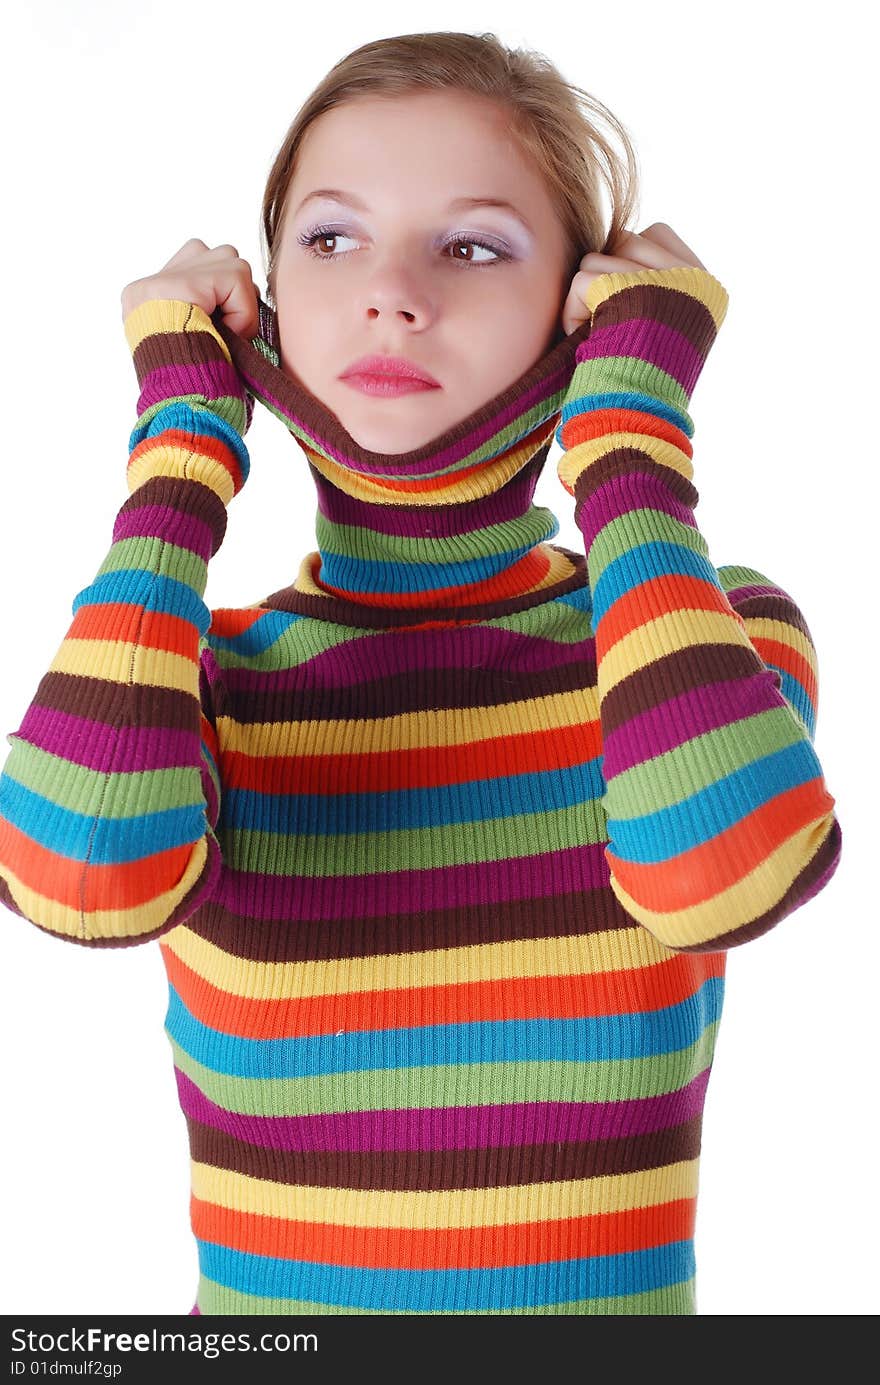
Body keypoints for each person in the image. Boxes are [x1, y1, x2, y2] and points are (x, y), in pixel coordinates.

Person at [0, 30, 841, 1316]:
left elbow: (723, 873)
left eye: (474, 245)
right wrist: (179, 447)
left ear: (583, 306)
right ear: (266, 293)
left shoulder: (711, 630)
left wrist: (630, 438)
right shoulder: (191, 671)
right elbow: (75, 886)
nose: (390, 292)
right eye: (331, 239)